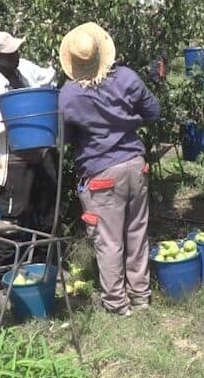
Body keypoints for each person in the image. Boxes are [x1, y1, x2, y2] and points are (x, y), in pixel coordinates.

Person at [58, 22, 161, 316]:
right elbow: (153, 112)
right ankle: (141, 295)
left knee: (109, 240)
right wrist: (126, 122)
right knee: (136, 233)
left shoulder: (69, 95)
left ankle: (117, 304)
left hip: (101, 173)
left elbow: (62, 138)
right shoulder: (127, 78)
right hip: (134, 165)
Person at [0, 31, 57, 300]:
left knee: (47, 214)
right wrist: (4, 128)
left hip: (41, 153)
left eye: (16, 51)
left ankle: (45, 269)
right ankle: (6, 281)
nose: (16, 55)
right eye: (10, 54)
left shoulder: (25, 68)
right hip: (13, 161)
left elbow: (47, 79)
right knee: (12, 220)